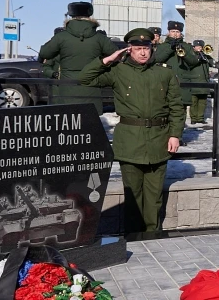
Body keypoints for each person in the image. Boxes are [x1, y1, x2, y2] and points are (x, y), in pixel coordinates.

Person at [79, 28, 184, 232]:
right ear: (129, 50)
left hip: (158, 139)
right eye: (137, 49)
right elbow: (85, 78)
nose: (143, 53)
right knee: (133, 194)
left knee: (154, 195)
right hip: (130, 141)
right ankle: (133, 236)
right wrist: (108, 59)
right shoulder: (118, 71)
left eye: (146, 48)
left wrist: (174, 135)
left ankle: (152, 234)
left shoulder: (164, 73)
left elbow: (176, 107)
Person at [38, 2, 117, 115]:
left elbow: (44, 53)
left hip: (67, 90)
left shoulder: (61, 37)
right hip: (92, 88)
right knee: (90, 126)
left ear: (71, 15)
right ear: (90, 15)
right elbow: (117, 55)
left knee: (69, 127)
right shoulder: (100, 38)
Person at [153, 21, 198, 129]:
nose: (175, 34)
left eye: (177, 32)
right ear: (168, 32)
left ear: (181, 33)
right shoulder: (163, 46)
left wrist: (184, 54)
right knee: (166, 109)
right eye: (173, 31)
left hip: (182, 82)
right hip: (166, 82)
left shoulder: (186, 46)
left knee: (180, 111)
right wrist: (170, 48)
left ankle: (179, 136)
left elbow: (194, 62)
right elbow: (157, 59)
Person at [188, 39, 214, 124]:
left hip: (204, 82)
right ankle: (194, 118)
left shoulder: (205, 56)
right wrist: (198, 57)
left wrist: (206, 56)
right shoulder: (191, 55)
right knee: (193, 102)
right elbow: (190, 64)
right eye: (197, 46)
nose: (198, 48)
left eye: (200, 47)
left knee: (202, 102)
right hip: (194, 81)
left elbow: (212, 63)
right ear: (194, 47)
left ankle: (200, 118)